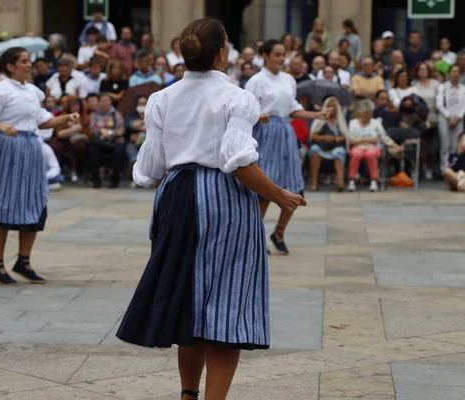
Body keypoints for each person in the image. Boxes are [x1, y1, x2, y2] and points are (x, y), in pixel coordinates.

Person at [116, 18, 306, 400]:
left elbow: (149, 168)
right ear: (222, 52)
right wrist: (279, 194)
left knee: (189, 297)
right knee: (227, 303)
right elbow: (237, 161)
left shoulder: (161, 98)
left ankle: (188, 394)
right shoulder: (237, 97)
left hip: (175, 194)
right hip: (223, 198)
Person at [0, 47, 79, 285]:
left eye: (29, 61)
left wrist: (65, 118)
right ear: (10, 66)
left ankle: (23, 260)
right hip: (6, 149)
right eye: (24, 61)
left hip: (30, 149)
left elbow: (41, 121)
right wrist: (0, 126)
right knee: (2, 203)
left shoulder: (32, 91)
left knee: (34, 201)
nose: (29, 65)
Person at [245, 39, 326, 255]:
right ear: (265, 55)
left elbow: (293, 109)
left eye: (284, 55)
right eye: (277, 54)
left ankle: (279, 232)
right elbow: (247, 109)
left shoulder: (289, 79)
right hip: (264, 132)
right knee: (264, 187)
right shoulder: (256, 81)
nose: (282, 59)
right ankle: (256, 237)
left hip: (285, 132)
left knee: (293, 186)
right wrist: (257, 116)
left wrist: (317, 114)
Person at [347, 99, 401, 192]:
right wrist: (368, 140)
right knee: (356, 154)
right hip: (358, 147)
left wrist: (394, 145)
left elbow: (383, 137)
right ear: (361, 112)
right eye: (367, 113)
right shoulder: (353, 123)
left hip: (373, 148)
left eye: (371, 113)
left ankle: (374, 180)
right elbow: (351, 140)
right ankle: (352, 180)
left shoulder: (376, 122)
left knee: (371, 154)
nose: (369, 115)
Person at [308, 96, 347, 192]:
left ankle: (340, 183)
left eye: (334, 106)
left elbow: (345, 136)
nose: (332, 109)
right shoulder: (319, 121)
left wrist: (336, 138)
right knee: (314, 151)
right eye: (329, 106)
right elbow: (313, 136)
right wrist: (324, 138)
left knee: (340, 152)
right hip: (322, 147)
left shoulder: (340, 122)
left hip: (335, 147)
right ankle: (314, 182)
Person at [88, 93, 126, 188]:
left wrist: (109, 133)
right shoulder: (94, 115)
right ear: (99, 103)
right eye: (103, 101)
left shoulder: (116, 114)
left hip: (115, 141)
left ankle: (115, 180)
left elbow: (121, 129)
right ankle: (96, 180)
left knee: (119, 151)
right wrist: (100, 132)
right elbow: (92, 129)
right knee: (92, 150)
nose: (105, 103)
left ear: (110, 102)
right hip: (100, 141)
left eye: (107, 100)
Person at [436, 64, 465, 171]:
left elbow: (464, 105)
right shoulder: (442, 87)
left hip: (458, 119)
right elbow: (439, 104)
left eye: (458, 71)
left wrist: (458, 118)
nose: (455, 74)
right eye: (453, 71)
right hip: (444, 119)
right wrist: (448, 117)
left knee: (456, 145)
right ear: (449, 73)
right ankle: (444, 168)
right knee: (445, 145)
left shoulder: (463, 88)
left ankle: (454, 167)